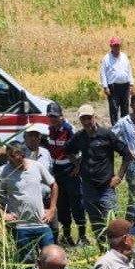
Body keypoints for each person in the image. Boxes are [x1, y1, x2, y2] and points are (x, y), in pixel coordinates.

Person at [65, 105, 132, 239]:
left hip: (106, 188)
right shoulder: (79, 137)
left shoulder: (106, 135)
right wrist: (77, 165)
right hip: (88, 189)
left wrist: (119, 177)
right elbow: (67, 150)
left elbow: (126, 154)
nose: (86, 122)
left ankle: (115, 247)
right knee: (96, 225)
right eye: (83, 119)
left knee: (112, 224)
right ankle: (102, 248)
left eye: (89, 118)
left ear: (95, 117)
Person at [0, 140, 57, 261]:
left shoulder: (36, 166)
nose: (10, 159)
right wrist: (2, 213)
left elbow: (53, 185)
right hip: (20, 227)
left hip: (41, 223)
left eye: (13, 156)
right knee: (27, 262)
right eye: (8, 155)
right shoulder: (3, 171)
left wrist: (52, 209)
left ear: (22, 155)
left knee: (50, 258)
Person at [44, 101, 86, 248]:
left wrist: (78, 166)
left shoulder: (69, 130)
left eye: (55, 116)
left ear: (62, 116)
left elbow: (81, 149)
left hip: (70, 172)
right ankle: (67, 236)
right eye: (51, 116)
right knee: (62, 205)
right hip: (57, 173)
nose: (53, 119)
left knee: (76, 203)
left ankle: (82, 236)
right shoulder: (50, 130)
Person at [99, 35, 134, 124]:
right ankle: (115, 127)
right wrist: (105, 87)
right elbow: (103, 73)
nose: (116, 47)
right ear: (111, 46)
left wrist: (131, 84)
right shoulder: (106, 58)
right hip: (113, 87)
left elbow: (129, 70)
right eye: (114, 45)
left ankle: (125, 126)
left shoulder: (124, 56)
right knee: (114, 108)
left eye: (118, 45)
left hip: (125, 86)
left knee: (125, 108)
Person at [21, 123, 54, 207]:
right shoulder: (19, 154)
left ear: (40, 138)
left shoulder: (45, 153)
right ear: (24, 137)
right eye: (30, 135)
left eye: (36, 135)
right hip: (27, 201)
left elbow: (51, 173)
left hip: (46, 199)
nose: (33, 138)